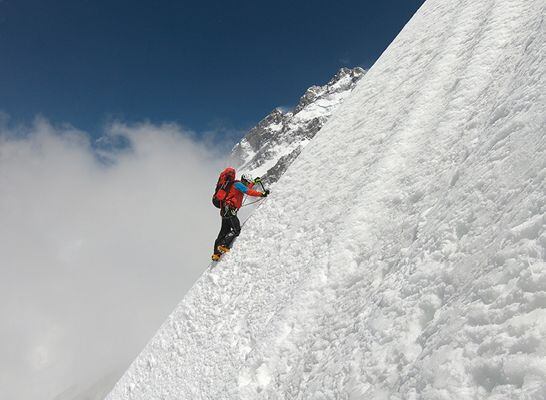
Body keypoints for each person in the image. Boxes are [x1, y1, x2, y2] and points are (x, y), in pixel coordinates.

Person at [212, 173, 269, 261]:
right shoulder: (238, 184)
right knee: (236, 229)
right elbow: (248, 191)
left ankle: (216, 254)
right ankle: (222, 245)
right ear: (244, 180)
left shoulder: (237, 185)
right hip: (230, 209)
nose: (247, 184)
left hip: (225, 210)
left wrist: (253, 182)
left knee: (224, 231)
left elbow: (246, 188)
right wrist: (262, 194)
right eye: (247, 182)